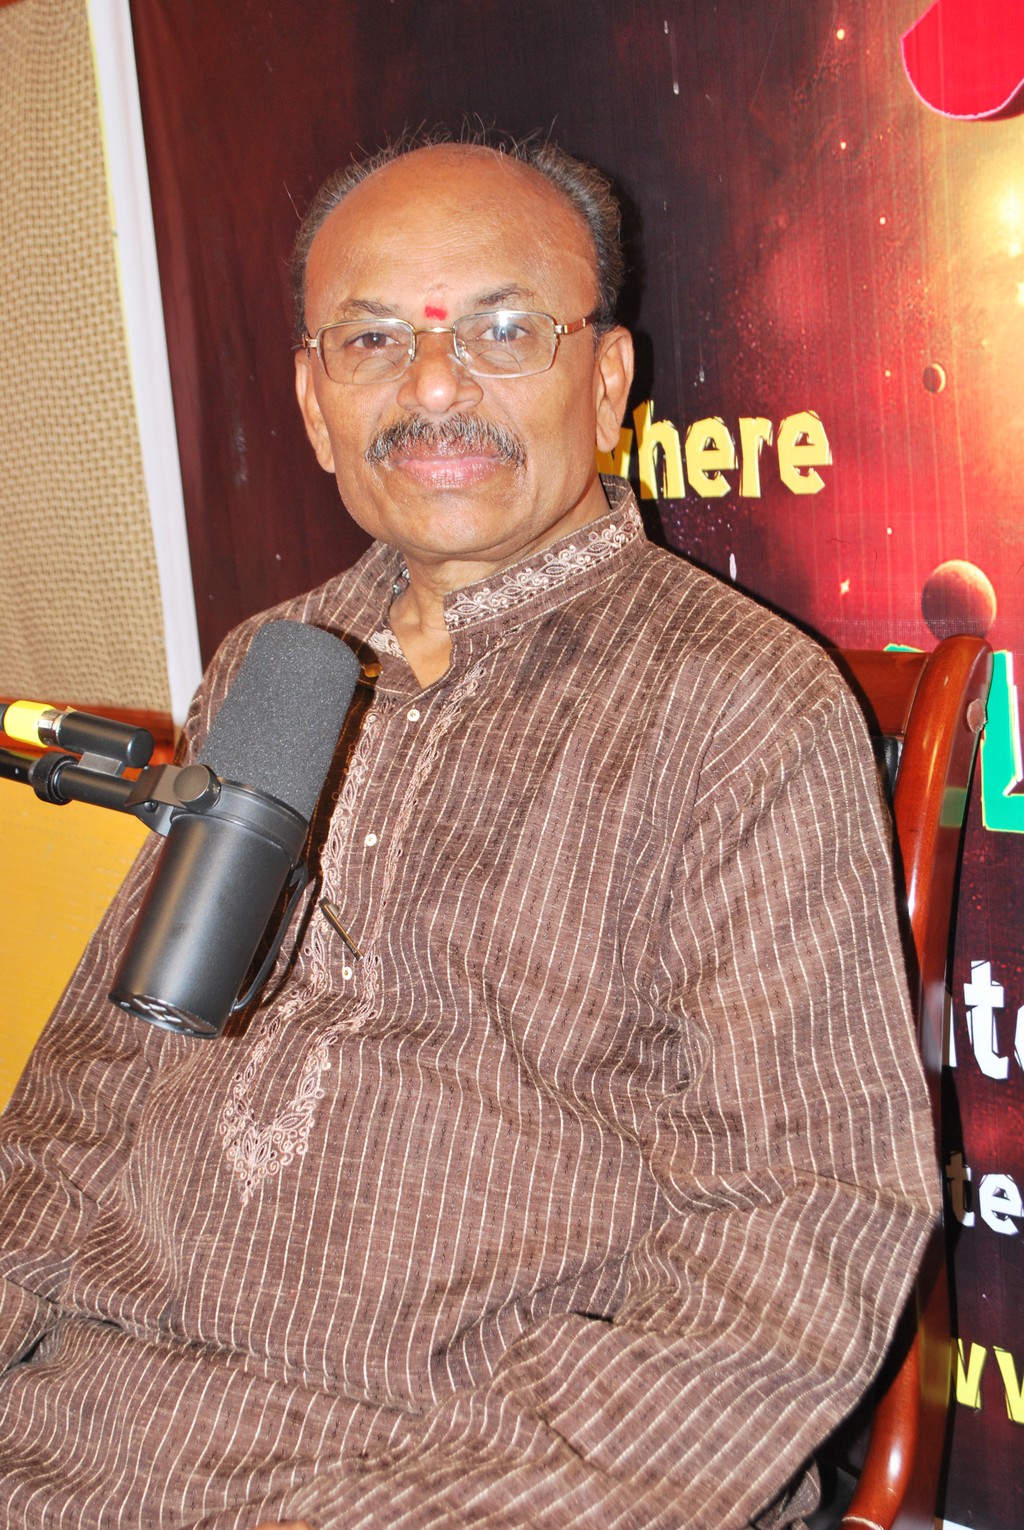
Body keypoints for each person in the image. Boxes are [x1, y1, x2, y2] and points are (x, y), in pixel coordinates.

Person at [0, 133, 938, 1529]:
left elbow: (810, 1214)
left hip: (462, 1474)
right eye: (373, 339)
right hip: (83, 1440)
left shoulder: (738, 704)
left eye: (503, 331)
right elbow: (93, 1087)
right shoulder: (272, 665)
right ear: (314, 403)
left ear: (606, 382)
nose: (433, 385)